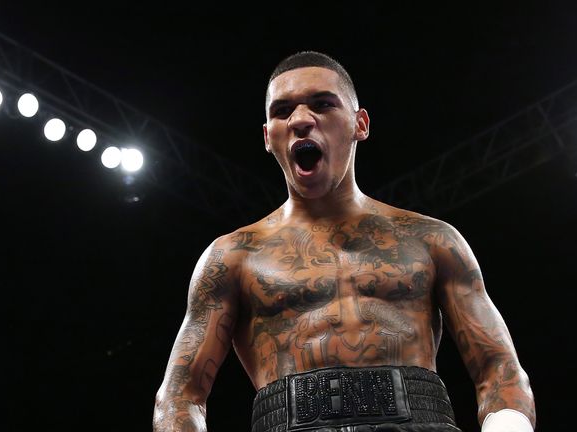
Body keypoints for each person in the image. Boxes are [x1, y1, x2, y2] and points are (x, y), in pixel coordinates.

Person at [153, 51, 536, 432]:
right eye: (283, 111)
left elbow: (499, 368)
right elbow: (180, 396)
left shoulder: (432, 240)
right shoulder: (233, 257)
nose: (301, 120)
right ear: (269, 137)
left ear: (360, 124)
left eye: (322, 104)